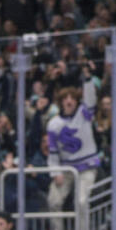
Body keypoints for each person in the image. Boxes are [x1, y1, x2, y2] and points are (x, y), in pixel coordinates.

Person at [46, 79, 101, 219]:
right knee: (53, 201)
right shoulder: (53, 124)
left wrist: (87, 80)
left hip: (87, 165)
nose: (69, 101)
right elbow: (53, 152)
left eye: (72, 98)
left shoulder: (84, 114)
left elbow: (91, 100)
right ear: (61, 102)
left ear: (77, 101)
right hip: (66, 168)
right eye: (65, 98)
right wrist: (55, 172)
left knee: (81, 201)